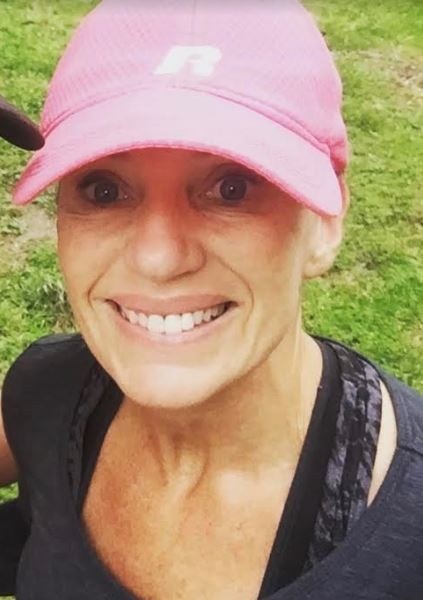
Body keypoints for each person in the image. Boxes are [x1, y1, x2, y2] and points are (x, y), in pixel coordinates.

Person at [0, 1, 422, 599]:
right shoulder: (46, 395)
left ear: (325, 221)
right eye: (104, 189)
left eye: (232, 188)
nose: (159, 257)